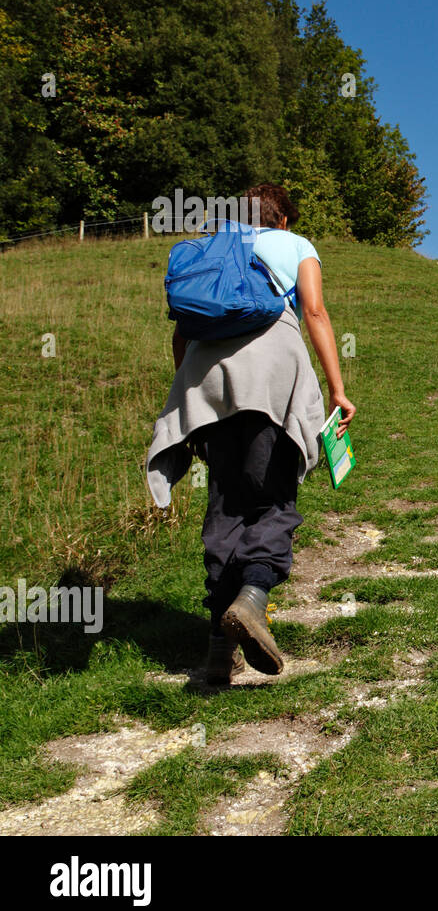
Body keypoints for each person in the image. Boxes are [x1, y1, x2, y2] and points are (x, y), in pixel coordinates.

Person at [146, 184, 356, 685]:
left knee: (225, 502)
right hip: (271, 375)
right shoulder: (296, 245)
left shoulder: (211, 249)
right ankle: (253, 598)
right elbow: (315, 313)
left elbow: (181, 333)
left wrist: (192, 396)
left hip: (208, 378)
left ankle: (219, 653)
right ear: (282, 219)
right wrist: (336, 388)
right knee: (271, 497)